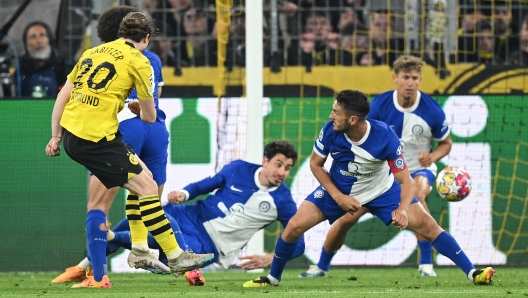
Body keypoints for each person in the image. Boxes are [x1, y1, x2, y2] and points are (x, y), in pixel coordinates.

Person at [243, 89, 495, 288]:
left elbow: (406, 180)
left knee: (429, 227)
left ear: (352, 119)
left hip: (383, 191)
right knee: (295, 226)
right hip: (339, 189)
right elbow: (316, 165)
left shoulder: (385, 136)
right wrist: (338, 196)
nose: (331, 115)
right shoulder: (330, 130)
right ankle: (273, 278)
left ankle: (474, 273)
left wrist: (404, 210)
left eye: (336, 112)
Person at [45, 11, 213, 289]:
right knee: (148, 188)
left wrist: (55, 135)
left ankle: (139, 250)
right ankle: (174, 256)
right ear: (146, 38)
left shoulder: (93, 52)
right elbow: (150, 116)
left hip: (75, 135)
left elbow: (65, 92)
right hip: (98, 140)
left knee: (140, 179)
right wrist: (136, 106)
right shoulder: (142, 61)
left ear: (120, 32)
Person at [51, 140, 305, 286]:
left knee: (161, 229)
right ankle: (86, 267)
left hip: (208, 242)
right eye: (279, 164)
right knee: (142, 213)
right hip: (190, 214)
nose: (282, 172)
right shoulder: (239, 169)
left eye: (288, 168)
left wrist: (271, 258)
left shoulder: (283, 202)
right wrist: (183, 194)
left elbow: (299, 244)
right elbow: (204, 185)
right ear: (265, 161)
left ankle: (109, 242)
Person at [298, 55, 452, 278]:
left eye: (415, 78)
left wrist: (432, 155)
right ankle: (321, 266)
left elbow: (446, 144)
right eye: (406, 77)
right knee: (345, 220)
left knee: (416, 192)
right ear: (395, 78)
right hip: (377, 174)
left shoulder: (433, 110)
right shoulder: (380, 105)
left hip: (418, 168)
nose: (410, 82)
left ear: (420, 80)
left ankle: (426, 263)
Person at [14, 21, 71, 98]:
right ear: (26, 43)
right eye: (33, 37)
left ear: (49, 40)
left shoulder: (63, 68)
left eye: (42, 35)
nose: (39, 41)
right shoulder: (20, 72)